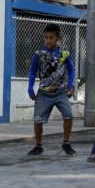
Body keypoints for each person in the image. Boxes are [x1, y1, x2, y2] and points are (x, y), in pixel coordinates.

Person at [27, 23, 76, 156]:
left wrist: (71, 86)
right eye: (45, 37)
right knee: (38, 120)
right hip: (43, 93)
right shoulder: (39, 54)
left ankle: (66, 144)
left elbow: (71, 69)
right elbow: (32, 71)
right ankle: (38, 146)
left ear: (59, 38)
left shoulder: (64, 54)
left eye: (51, 37)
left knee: (69, 116)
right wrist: (30, 88)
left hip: (61, 92)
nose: (48, 40)